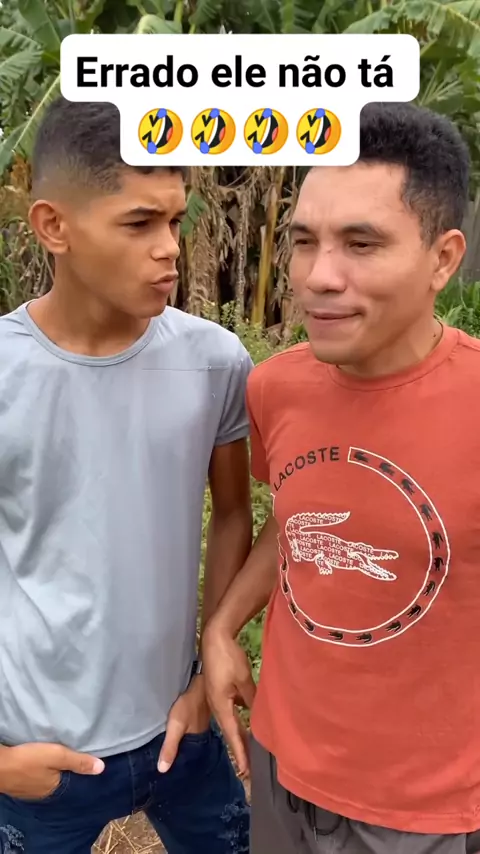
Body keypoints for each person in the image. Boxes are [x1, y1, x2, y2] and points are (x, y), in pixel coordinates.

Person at [202, 101, 480, 854]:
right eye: (303, 241)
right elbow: (299, 519)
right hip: (280, 767)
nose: (318, 277)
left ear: (443, 259)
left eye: (362, 243)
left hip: (424, 812)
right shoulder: (277, 387)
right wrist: (222, 626)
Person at [0, 96, 252, 854]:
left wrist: (206, 671)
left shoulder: (214, 362)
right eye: (140, 223)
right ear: (54, 226)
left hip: (184, 735)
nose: (170, 248)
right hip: (36, 753)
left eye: (175, 220)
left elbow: (233, 513)